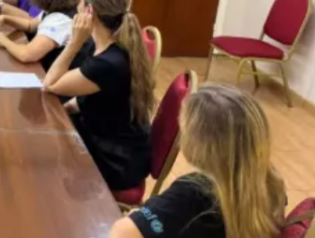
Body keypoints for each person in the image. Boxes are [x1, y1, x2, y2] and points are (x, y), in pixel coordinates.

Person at [110, 84, 286, 238]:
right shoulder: (271, 183)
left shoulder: (193, 193)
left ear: (200, 145)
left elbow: (122, 233)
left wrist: (135, 218)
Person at [43, 0, 154, 192]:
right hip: (116, 143)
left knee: (43, 164)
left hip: (116, 161)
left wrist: (75, 42)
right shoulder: (108, 45)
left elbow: (50, 84)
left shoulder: (108, 62)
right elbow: (94, 97)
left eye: (80, 2)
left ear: (89, 11)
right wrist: (66, 109)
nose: (76, 7)